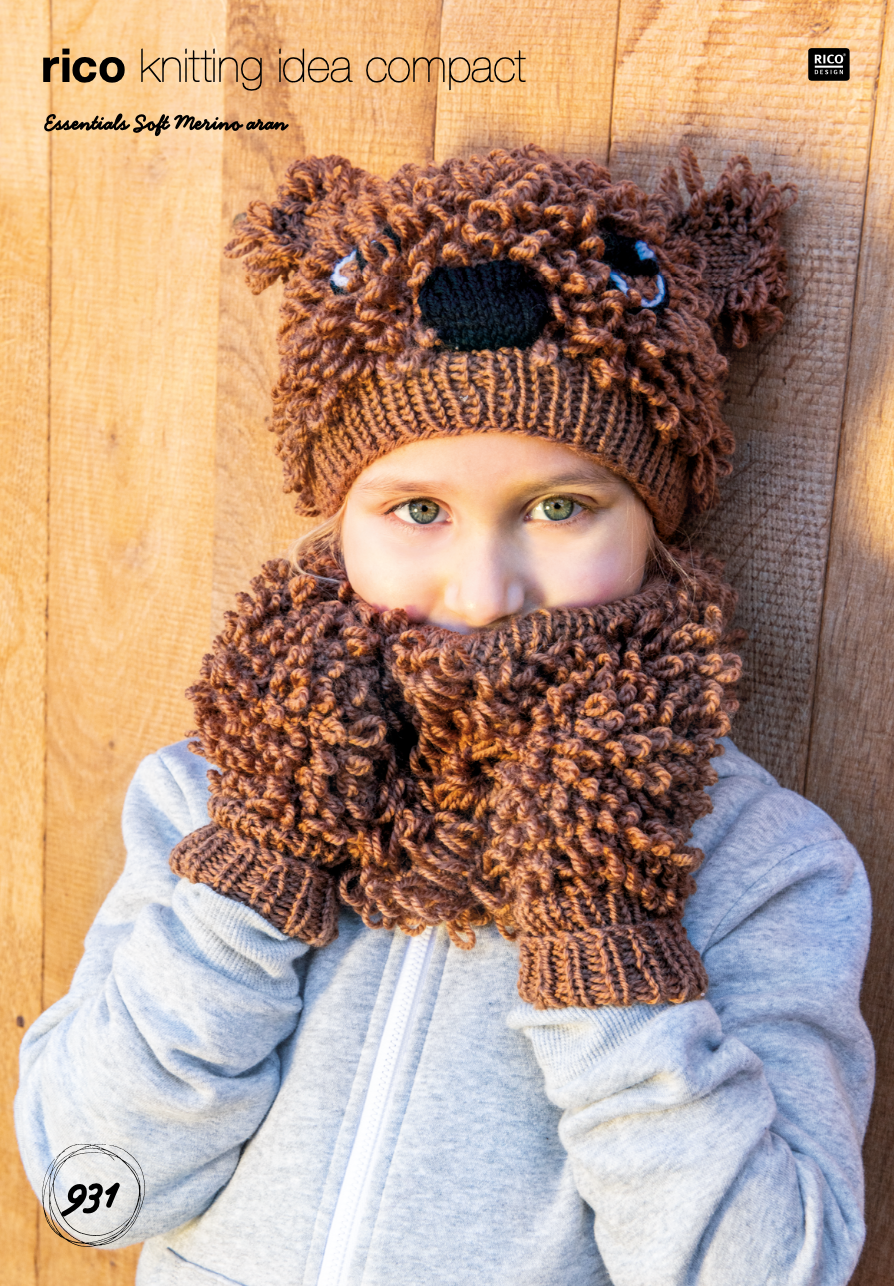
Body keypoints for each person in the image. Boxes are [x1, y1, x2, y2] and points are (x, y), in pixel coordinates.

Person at [16, 146, 873, 1286]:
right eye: (417, 506)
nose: (484, 592)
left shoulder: (764, 864)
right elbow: (94, 1184)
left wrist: (602, 928)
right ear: (338, 520)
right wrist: (264, 860)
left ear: (659, 521)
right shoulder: (205, 795)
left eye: (561, 507)